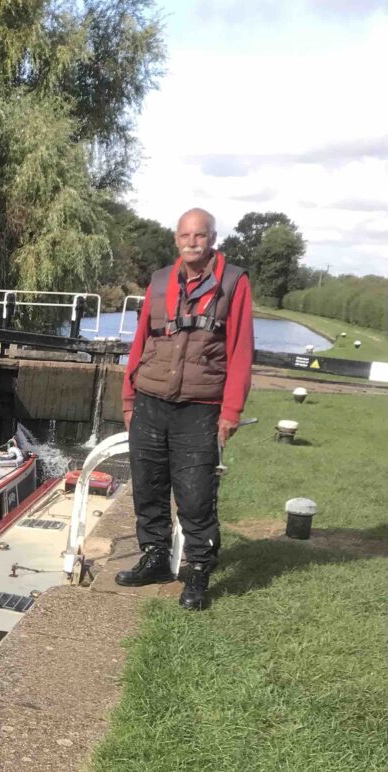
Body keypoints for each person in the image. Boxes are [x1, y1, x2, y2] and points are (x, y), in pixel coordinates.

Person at [116, 208, 254, 609]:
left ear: (212, 239)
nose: (192, 242)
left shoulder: (234, 282)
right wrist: (129, 398)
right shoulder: (160, 280)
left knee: (195, 495)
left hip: (199, 406)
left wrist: (231, 411)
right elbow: (140, 341)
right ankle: (155, 558)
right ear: (176, 239)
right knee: (148, 487)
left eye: (200, 235)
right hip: (150, 400)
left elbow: (241, 349)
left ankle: (197, 570)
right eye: (185, 235)